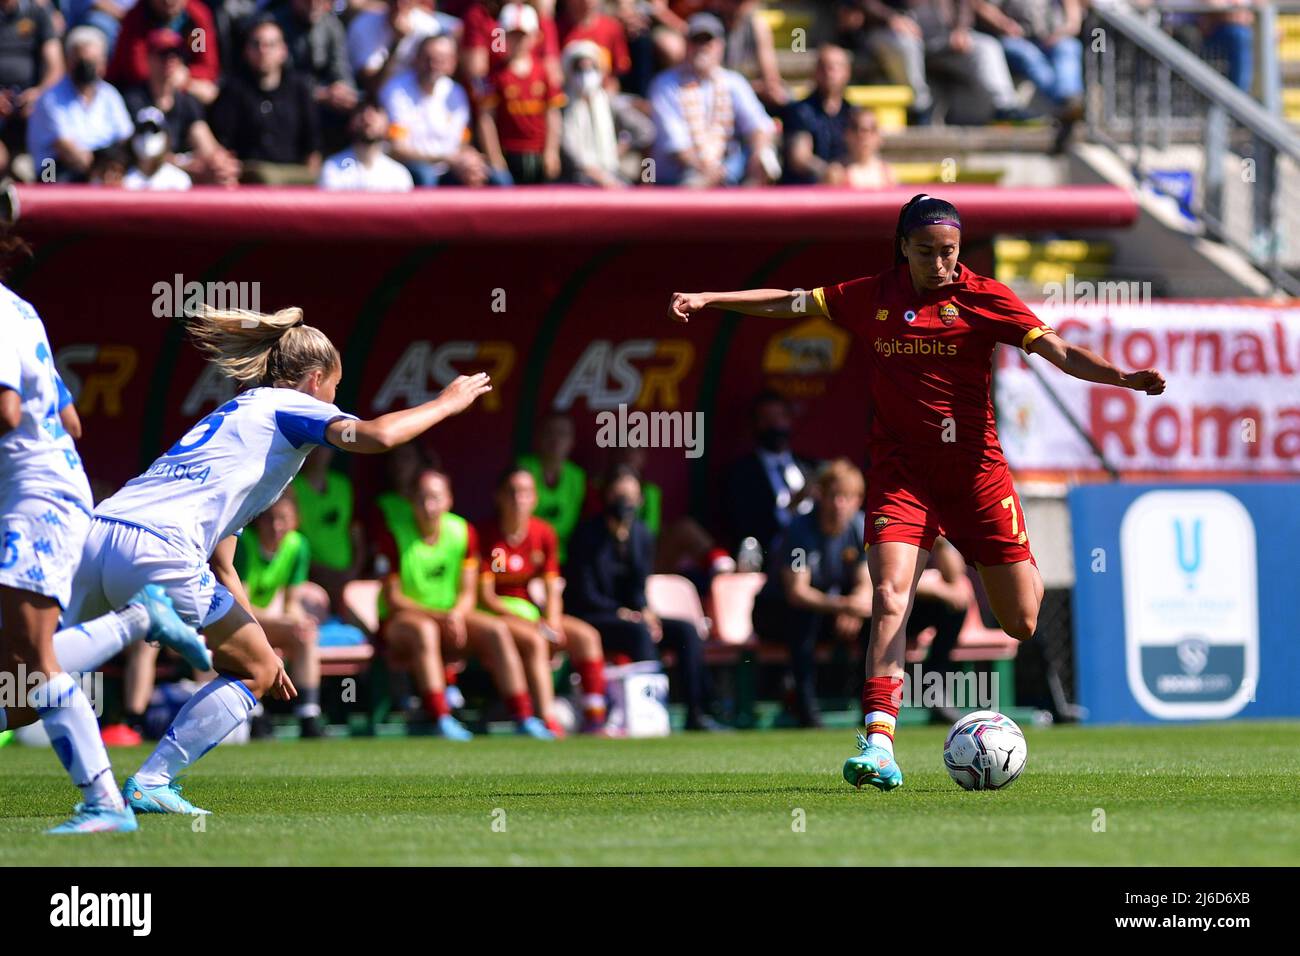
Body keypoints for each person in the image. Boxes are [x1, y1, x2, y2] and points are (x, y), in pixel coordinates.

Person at [668, 192, 1167, 789]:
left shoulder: (984, 297)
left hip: (975, 477)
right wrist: (709, 299)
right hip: (901, 475)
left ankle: (1015, 562)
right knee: (890, 596)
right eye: (927, 251)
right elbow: (789, 301)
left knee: (1022, 621)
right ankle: (879, 741)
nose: (941, 264)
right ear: (903, 247)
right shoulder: (870, 296)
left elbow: (1057, 350)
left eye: (950, 252)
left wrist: (1121, 378)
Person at [54, 303, 494, 816]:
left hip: (99, 534)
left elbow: (223, 563)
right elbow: (378, 436)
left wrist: (256, 645)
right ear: (314, 380)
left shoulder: (242, 419)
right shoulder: (293, 407)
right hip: (157, 549)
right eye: (335, 387)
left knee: (33, 676)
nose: (336, 400)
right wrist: (447, 401)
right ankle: (151, 780)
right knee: (253, 673)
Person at [0, 258, 209, 834]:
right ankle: (140, 617)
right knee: (18, 663)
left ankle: (105, 803)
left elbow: (6, 410)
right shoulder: (18, 307)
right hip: (45, 492)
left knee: (31, 659)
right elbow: (70, 418)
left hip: (33, 498)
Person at [375, 468, 554, 740]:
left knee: (497, 630)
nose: (428, 506)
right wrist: (440, 617)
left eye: (435, 498)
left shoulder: (463, 531)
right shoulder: (393, 536)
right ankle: (441, 717)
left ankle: (524, 716)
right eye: (421, 498)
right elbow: (394, 598)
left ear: (448, 500)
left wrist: (456, 615)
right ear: (411, 500)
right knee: (425, 630)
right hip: (403, 622)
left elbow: (469, 592)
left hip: (451, 619)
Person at [565, 467, 720, 731]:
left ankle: (697, 712)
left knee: (685, 631)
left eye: (630, 496)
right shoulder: (586, 535)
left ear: (640, 500)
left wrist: (645, 611)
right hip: (593, 616)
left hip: (630, 617)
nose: (624, 503)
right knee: (639, 632)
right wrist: (621, 613)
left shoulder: (642, 535)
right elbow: (584, 593)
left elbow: (638, 587)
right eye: (618, 495)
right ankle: (652, 711)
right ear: (605, 496)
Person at [479, 466, 609, 734]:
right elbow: (487, 597)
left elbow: (552, 587)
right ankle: (545, 718)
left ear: (535, 499)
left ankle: (594, 718)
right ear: (498, 497)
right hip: (497, 616)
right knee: (536, 640)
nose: (519, 499)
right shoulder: (485, 535)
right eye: (512, 492)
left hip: (533, 614)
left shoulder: (544, 533)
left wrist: (552, 622)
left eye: (526, 493)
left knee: (587, 636)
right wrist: (533, 625)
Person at [751, 459, 873, 728]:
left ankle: (871, 709)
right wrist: (845, 607)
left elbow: (865, 582)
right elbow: (797, 592)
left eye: (847, 497)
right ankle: (806, 709)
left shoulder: (859, 526)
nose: (839, 504)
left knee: (873, 620)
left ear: (858, 500)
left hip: (826, 611)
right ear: (820, 495)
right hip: (774, 613)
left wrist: (855, 607)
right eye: (833, 496)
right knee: (803, 616)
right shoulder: (799, 531)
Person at [234, 491, 329, 738]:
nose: (276, 527)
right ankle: (256, 716)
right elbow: (240, 607)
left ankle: (308, 716)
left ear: (295, 520)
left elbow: (292, 603)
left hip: (267, 622)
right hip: (236, 624)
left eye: (283, 519)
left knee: (306, 635)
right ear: (258, 519)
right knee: (251, 641)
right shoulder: (244, 545)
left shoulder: (298, 545)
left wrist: (299, 621)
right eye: (269, 519)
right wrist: (282, 620)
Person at [647, 11, 775, 186]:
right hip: (680, 176)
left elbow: (760, 126)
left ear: (720, 46)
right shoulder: (664, 85)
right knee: (695, 182)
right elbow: (678, 148)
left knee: (765, 161)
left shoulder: (734, 82)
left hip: (727, 169)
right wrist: (709, 172)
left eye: (707, 41)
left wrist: (758, 153)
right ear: (686, 45)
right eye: (696, 40)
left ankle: (752, 210)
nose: (702, 47)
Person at [121, 28, 241, 186]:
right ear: (148, 58)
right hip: (143, 178)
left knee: (221, 174)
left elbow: (205, 143)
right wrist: (182, 164)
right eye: (163, 54)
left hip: (179, 178)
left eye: (175, 54)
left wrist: (220, 163)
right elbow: (140, 155)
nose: (170, 60)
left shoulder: (186, 101)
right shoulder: (134, 100)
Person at [209, 18, 322, 184]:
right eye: (256, 44)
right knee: (263, 175)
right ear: (246, 50)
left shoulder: (300, 90)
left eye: (271, 44)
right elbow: (223, 144)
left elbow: (313, 148)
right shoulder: (233, 90)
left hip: (292, 177)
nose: (263, 50)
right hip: (249, 177)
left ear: (283, 51)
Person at [380, 33, 496, 187]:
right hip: (410, 166)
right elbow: (397, 148)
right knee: (425, 175)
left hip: (452, 165)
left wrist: (469, 161)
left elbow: (463, 142)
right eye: (429, 58)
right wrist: (447, 158)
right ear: (416, 59)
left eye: (441, 59)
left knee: (497, 178)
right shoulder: (396, 91)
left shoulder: (456, 92)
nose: (434, 64)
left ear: (452, 63)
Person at [27, 27, 133, 181]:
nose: (87, 67)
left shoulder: (109, 95)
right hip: (55, 167)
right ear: (69, 61)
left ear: (103, 63)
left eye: (93, 61)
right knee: (52, 177)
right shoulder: (50, 98)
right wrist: (99, 171)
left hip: (102, 166)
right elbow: (66, 149)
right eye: (82, 61)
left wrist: (115, 164)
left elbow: (125, 137)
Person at [477, 2, 564, 185]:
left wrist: (551, 151)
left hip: (538, 153)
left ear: (534, 37)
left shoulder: (543, 72)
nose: (517, 42)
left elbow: (552, 114)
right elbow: (487, 118)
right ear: (502, 36)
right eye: (512, 36)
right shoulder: (494, 76)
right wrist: (494, 156)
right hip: (508, 153)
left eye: (522, 36)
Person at [721, 389, 815, 558]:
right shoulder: (741, 474)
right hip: (773, 559)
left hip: (816, 555)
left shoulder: (810, 466)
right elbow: (745, 527)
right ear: (755, 424)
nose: (775, 425)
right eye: (767, 419)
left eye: (780, 417)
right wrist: (791, 507)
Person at [974, 0, 1083, 114]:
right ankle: (1064, 102)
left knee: (1069, 47)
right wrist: (1004, 24)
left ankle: (1069, 96)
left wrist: (1060, 34)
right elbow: (982, 6)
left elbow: (1073, 22)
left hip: (1054, 39)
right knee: (1030, 56)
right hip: (1017, 39)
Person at [291, 444, 364, 611]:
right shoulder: (291, 489)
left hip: (348, 581)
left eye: (324, 445)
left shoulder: (343, 485)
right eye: (313, 446)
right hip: (310, 582)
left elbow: (355, 531)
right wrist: (322, 574)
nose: (319, 452)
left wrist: (353, 572)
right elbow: (290, 543)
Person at [107, 0, 222, 105]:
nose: (169, 1)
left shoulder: (195, 20)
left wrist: (186, 76)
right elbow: (136, 69)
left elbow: (206, 66)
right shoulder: (136, 19)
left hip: (182, 86)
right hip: (141, 93)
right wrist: (171, 75)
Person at [0, 0, 62, 179]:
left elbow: (56, 67)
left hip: (31, 104)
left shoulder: (37, 13)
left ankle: (49, 188)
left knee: (54, 143)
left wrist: (38, 94)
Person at [517, 412, 585, 563]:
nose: (556, 439)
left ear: (572, 441)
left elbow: (572, 521)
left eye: (562, 434)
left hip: (563, 557)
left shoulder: (577, 476)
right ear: (538, 437)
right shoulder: (523, 467)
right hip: (524, 553)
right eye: (549, 432)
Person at [782, 44, 853, 185]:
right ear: (815, 72)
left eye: (835, 67)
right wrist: (827, 172)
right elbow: (799, 157)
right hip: (806, 192)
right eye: (824, 67)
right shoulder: (800, 111)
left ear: (847, 72)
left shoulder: (852, 112)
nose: (829, 72)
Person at [318, 99, 415, 191]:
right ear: (351, 123)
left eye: (376, 111)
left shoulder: (399, 175)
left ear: (387, 124)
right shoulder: (332, 168)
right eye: (361, 111)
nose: (368, 118)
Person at [123, 105, 192, 189]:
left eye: (154, 131)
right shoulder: (123, 181)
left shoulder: (179, 181)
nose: (147, 136)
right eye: (142, 130)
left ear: (167, 138)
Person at [830, 107, 895, 188]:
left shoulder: (887, 174)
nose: (863, 136)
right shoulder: (836, 174)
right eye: (856, 128)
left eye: (871, 129)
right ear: (847, 135)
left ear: (878, 136)